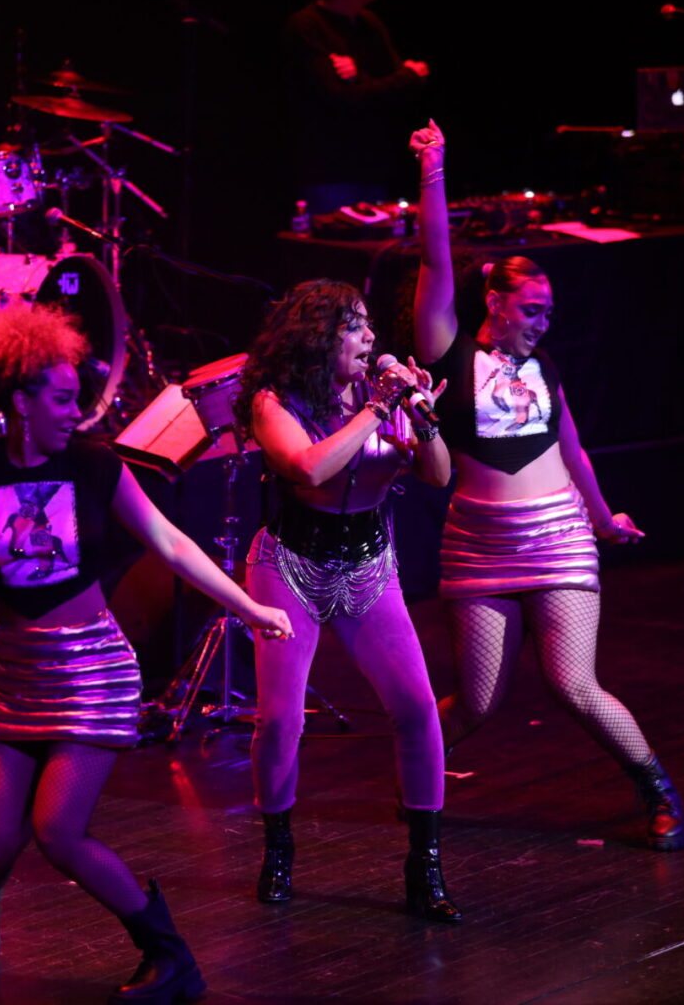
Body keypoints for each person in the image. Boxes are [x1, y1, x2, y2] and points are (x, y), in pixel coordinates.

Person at [0, 307, 293, 1002]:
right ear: (17, 401)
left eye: (77, 396)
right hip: (14, 671)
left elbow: (169, 542)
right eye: (60, 397)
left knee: (56, 830)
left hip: (92, 672)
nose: (75, 410)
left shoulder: (94, 466)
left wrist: (250, 607)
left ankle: (170, 957)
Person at [408, 118, 684, 852]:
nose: (542, 323)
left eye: (550, 314)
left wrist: (603, 517)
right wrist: (433, 169)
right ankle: (413, 782)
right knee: (475, 703)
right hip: (477, 543)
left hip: (558, 536)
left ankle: (659, 790)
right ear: (495, 302)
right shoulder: (446, 354)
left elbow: (573, 449)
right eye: (532, 310)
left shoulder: (546, 371)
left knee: (573, 684)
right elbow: (436, 261)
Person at [232, 278, 462, 922]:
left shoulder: (381, 395)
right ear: (318, 336)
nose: (370, 340)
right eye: (356, 328)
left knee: (418, 710)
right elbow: (305, 469)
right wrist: (373, 412)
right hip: (290, 568)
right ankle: (278, 849)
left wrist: (420, 418)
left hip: (369, 568)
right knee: (281, 720)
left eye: (369, 328)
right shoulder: (274, 401)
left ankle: (425, 868)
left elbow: (438, 475)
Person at [282, 0, 429, 209]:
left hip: (374, 168)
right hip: (328, 174)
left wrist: (360, 77)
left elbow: (402, 90)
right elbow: (340, 99)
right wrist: (404, 78)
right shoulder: (307, 26)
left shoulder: (369, 25)